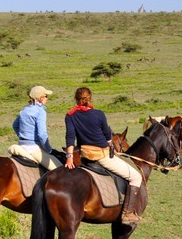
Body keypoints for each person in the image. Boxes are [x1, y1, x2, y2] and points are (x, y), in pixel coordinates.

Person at [63, 87, 143, 226]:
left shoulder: (70, 116)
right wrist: (110, 144)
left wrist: (69, 157)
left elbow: (70, 137)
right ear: (91, 98)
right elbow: (107, 135)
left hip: (84, 156)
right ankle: (128, 214)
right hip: (102, 156)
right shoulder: (99, 114)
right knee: (136, 177)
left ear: (76, 99)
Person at [12, 86, 62, 170]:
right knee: (60, 170)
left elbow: (15, 125)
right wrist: (49, 150)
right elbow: (42, 134)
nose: (47, 98)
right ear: (40, 98)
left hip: (21, 145)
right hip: (34, 148)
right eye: (46, 96)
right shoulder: (40, 112)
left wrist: (23, 136)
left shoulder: (24, 110)